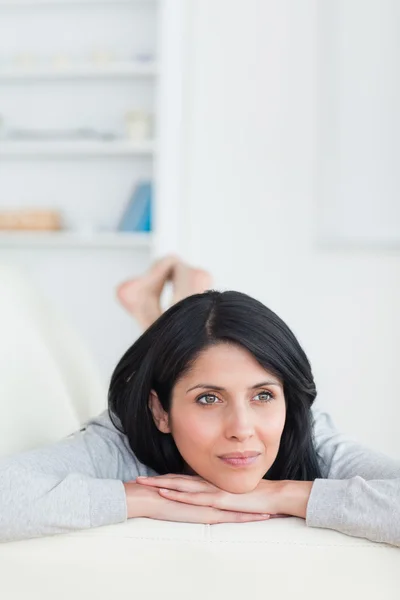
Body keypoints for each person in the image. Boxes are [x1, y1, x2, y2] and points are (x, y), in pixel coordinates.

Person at [0, 256, 399, 547]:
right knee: (188, 356)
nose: (242, 430)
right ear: (161, 411)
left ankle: (173, 304)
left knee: (201, 351)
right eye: (209, 399)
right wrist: (143, 497)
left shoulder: (307, 430)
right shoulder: (119, 440)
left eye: (263, 395)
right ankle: (170, 306)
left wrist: (282, 493)